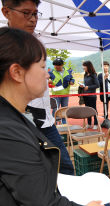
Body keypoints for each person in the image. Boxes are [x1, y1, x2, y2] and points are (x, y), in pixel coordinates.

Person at [0, 26, 110, 206]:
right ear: (17, 72)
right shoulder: (8, 130)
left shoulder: (15, 119)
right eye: (42, 67)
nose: (47, 74)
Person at [1, 0, 74, 175]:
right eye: (26, 13)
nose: (33, 19)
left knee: (64, 168)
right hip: (17, 124)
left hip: (45, 121)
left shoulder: (37, 42)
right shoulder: (4, 46)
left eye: (35, 14)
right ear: (6, 12)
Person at [49, 57, 74, 123]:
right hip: (55, 95)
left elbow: (72, 79)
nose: (56, 67)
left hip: (65, 95)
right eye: (55, 65)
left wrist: (72, 82)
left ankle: (64, 123)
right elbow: (46, 80)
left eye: (58, 65)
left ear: (62, 65)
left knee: (64, 110)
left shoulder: (68, 71)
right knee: (55, 110)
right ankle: (55, 123)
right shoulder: (51, 72)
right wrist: (50, 81)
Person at [81, 60, 100, 129]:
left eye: (84, 66)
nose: (83, 67)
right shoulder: (85, 75)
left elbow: (97, 85)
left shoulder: (93, 75)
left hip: (92, 96)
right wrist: (83, 86)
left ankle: (95, 123)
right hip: (85, 95)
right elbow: (86, 84)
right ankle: (89, 123)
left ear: (88, 66)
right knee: (87, 109)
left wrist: (88, 87)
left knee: (93, 109)